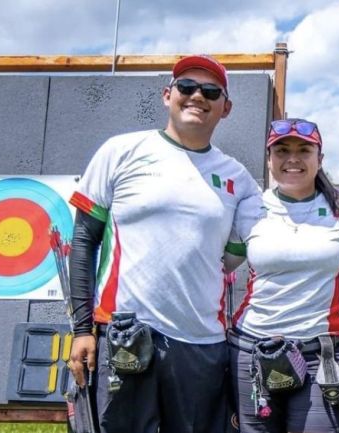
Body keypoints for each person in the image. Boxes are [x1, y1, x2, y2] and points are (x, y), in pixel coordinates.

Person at [67, 54, 262, 433]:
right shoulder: (120, 151)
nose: (197, 97)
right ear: (167, 94)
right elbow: (83, 240)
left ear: (226, 107)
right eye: (186, 87)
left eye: (210, 91)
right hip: (124, 332)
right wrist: (82, 329)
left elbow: (246, 248)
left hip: (201, 342)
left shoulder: (238, 177)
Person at [223, 118, 339, 433]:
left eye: (304, 150)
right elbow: (218, 268)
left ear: (320, 159)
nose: (293, 158)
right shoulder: (248, 209)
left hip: (323, 354)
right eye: (282, 150)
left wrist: (334, 281)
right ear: (269, 158)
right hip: (251, 351)